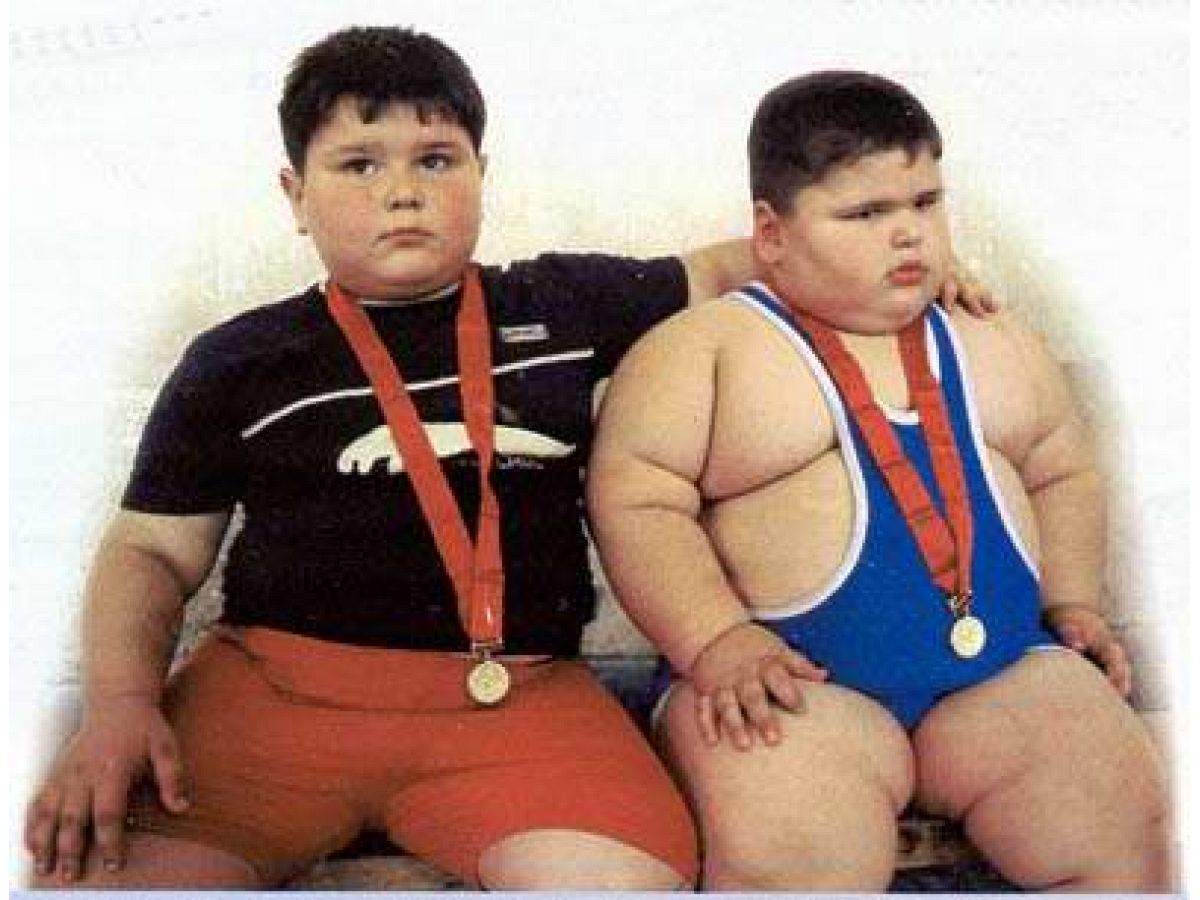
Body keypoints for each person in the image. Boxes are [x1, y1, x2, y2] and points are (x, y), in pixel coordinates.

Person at [22, 28, 987, 890]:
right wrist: (118, 707)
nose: (402, 190)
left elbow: (735, 263)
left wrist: (891, 263)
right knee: (99, 876)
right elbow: (151, 552)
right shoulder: (238, 357)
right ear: (295, 195)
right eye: (358, 164)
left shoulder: (559, 306)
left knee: (624, 883)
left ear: (482, 172)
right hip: (272, 703)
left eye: (436, 159)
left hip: (517, 703)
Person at [587, 71, 1171, 891]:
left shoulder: (991, 337)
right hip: (788, 686)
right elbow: (637, 500)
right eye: (865, 214)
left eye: (925, 204)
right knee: (795, 854)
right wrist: (714, 640)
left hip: (1000, 670)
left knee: (1122, 818)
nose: (908, 235)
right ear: (771, 232)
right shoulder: (707, 349)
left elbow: (1062, 469)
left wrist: (1074, 603)